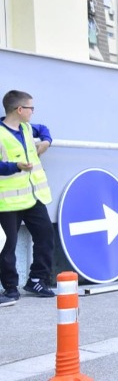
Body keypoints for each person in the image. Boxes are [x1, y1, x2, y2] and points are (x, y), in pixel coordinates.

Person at [0, 90, 57, 308]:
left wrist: (46, 141)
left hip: (34, 197)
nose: (33, 112)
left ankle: (37, 280)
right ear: (19, 109)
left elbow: (43, 129)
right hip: (8, 202)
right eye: (31, 108)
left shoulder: (25, 128)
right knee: (7, 248)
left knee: (46, 237)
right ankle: (10, 288)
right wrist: (15, 166)